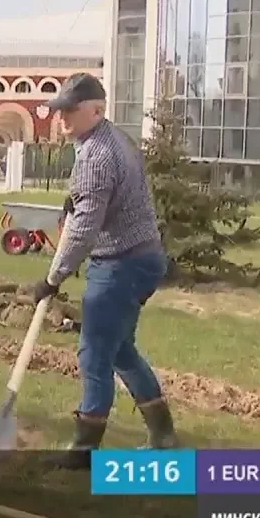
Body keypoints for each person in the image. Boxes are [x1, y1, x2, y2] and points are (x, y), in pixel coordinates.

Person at [29, 72, 179, 469]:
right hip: (143, 257)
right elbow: (102, 200)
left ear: (96, 111)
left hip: (121, 263)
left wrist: (52, 278)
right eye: (58, 110)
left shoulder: (96, 155)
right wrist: (74, 201)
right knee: (120, 349)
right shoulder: (115, 139)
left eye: (70, 110)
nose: (61, 118)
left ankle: (84, 452)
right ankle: (163, 435)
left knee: (94, 351)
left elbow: (83, 230)